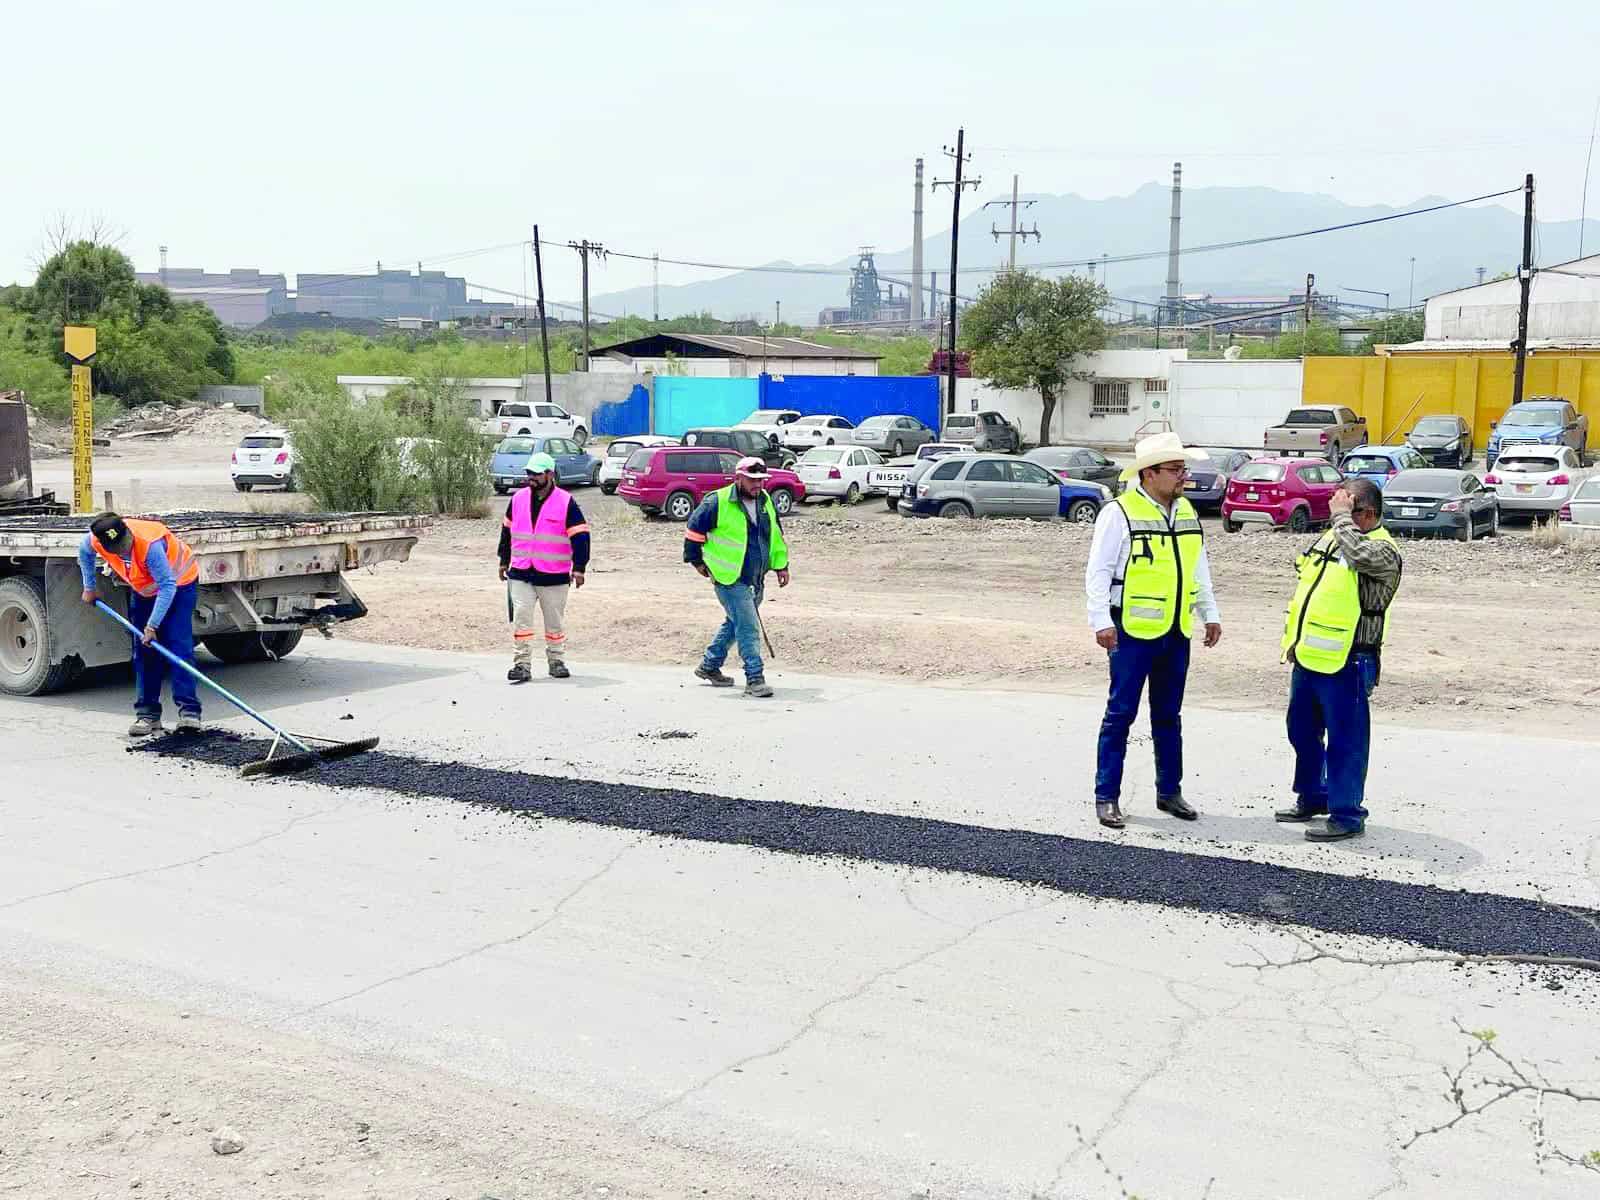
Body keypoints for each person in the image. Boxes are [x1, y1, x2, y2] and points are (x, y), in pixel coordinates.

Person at [1085, 432, 1223, 829]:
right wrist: (1100, 621)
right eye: (1175, 469)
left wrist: (1209, 613)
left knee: (1168, 715)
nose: (1183, 476)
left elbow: (1198, 568)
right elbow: (1098, 571)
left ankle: (1169, 792)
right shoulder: (1120, 512)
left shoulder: (1186, 513)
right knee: (1120, 714)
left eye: (1184, 469)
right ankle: (1106, 796)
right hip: (1130, 632)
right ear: (1148, 474)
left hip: (1175, 631)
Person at [1276, 477, 1402, 841]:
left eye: (1346, 507)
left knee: (1346, 741)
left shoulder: (1382, 550)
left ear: (1368, 513)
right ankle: (1313, 796)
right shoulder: (1336, 537)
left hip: (1349, 660)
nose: (1336, 513)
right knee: (1301, 731)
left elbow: (1359, 555)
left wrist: (1341, 517)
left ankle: (1347, 814)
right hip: (1309, 655)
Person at [78, 512, 202, 738]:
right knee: (144, 651)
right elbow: (84, 552)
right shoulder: (94, 540)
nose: (124, 550)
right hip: (145, 589)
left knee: (178, 647)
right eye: (117, 548)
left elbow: (167, 587)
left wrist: (152, 626)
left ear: (127, 531)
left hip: (179, 583)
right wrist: (89, 586)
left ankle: (189, 714)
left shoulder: (149, 545)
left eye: (125, 543)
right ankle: (148, 715)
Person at [683, 456, 790, 698]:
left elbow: (775, 535)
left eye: (761, 480)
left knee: (736, 623)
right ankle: (754, 678)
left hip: (756, 577)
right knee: (749, 627)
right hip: (729, 578)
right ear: (738, 478)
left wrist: (781, 565)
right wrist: (697, 561)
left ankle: (709, 666)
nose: (757, 485)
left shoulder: (764, 501)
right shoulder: (716, 502)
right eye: (752, 480)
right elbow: (692, 532)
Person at [498, 452, 590, 683]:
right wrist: (503, 560)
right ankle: (521, 664)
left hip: (554, 574)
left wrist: (579, 567)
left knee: (554, 621)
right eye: (529, 473)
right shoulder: (517, 499)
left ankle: (556, 661)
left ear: (549, 474)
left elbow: (580, 536)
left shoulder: (565, 501)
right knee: (521, 617)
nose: (531, 477)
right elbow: (507, 531)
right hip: (520, 572)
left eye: (536, 474)